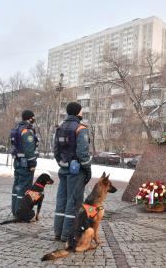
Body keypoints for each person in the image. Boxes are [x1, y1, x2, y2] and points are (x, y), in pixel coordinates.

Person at [53, 102, 92, 242]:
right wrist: (88, 170)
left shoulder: (60, 127)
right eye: (81, 111)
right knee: (74, 202)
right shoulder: (81, 129)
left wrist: (62, 163)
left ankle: (58, 232)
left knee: (61, 200)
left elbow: (55, 150)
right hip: (76, 172)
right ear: (77, 112)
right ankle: (68, 234)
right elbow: (82, 153)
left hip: (63, 169)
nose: (82, 113)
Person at [10, 110, 39, 216]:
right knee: (24, 188)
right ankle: (21, 213)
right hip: (25, 163)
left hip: (17, 161)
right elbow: (29, 149)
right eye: (33, 117)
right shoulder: (26, 131)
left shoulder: (17, 128)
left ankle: (15, 210)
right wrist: (32, 163)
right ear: (30, 118)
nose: (34, 119)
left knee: (17, 186)